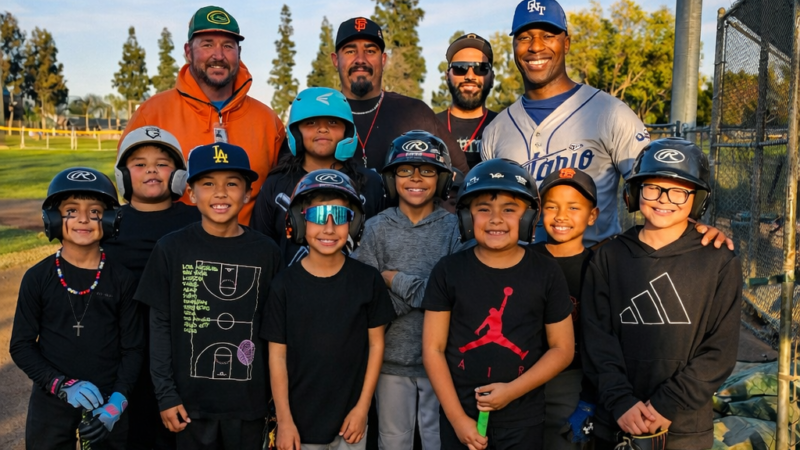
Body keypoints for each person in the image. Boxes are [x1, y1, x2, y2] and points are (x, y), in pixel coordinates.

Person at [581, 138, 742, 449]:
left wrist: (667, 404)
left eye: (679, 191)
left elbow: (719, 352)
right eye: (652, 187)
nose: (663, 199)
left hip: (684, 428)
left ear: (697, 200)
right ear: (634, 193)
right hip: (616, 419)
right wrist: (620, 401)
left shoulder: (719, 260)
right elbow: (596, 340)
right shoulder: (608, 257)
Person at [135, 143, 282, 449]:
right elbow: (159, 327)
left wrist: (276, 402)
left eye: (232, 183)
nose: (220, 193)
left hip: (248, 405)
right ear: (191, 194)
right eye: (207, 184)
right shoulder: (171, 248)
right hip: (189, 405)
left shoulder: (267, 251)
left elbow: (277, 331)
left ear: (246, 194)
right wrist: (166, 394)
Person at [422, 159, 575, 450]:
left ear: (529, 218)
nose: (495, 219)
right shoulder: (448, 270)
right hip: (462, 417)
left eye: (509, 209)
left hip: (523, 419)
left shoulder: (546, 271)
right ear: (467, 218)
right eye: (483, 210)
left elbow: (562, 349)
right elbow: (433, 349)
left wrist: (511, 391)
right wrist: (457, 420)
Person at [10, 167, 143, 449]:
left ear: (109, 220)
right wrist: (61, 385)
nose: (83, 218)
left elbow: (134, 349)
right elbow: (21, 345)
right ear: (54, 219)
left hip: (107, 404)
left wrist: (118, 401)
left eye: (95, 211)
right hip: (51, 403)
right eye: (71, 210)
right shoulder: (38, 278)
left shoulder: (122, 279)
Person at [265, 169, 395, 450]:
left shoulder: (368, 280)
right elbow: (276, 357)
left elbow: (376, 346)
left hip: (350, 423)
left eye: (340, 217)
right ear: (299, 220)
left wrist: (362, 409)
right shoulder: (283, 286)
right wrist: (284, 420)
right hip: (298, 426)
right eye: (316, 216)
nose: (328, 228)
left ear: (355, 222)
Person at [119, 5, 285, 225]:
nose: (218, 55)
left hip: (246, 252)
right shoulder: (152, 113)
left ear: (239, 53)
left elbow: (280, 193)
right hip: (171, 251)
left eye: (228, 46)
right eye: (207, 44)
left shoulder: (267, 120)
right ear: (188, 51)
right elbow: (130, 187)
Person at [352, 131, 462, 450]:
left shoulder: (454, 229)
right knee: (393, 443)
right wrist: (427, 296)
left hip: (441, 365)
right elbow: (369, 302)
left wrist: (396, 280)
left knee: (438, 441)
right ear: (390, 178)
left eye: (427, 170)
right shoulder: (375, 229)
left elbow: (454, 295)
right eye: (405, 170)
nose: (416, 178)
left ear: (442, 179)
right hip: (389, 364)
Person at [103, 125, 201, 450]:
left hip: (181, 354)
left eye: (162, 164)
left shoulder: (197, 220)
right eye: (140, 164)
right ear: (122, 175)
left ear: (178, 174)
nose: (151, 171)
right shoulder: (106, 224)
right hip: (123, 355)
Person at [250, 87, 384, 266]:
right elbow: (259, 247)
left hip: (357, 289)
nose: (322, 129)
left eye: (332, 122)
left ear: (347, 130)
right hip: (288, 290)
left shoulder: (370, 183)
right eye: (311, 123)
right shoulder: (276, 184)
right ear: (296, 132)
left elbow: (384, 244)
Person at [332, 17, 469, 174]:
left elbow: (460, 173)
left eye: (370, 51)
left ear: (383, 60)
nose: (361, 60)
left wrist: (440, 198)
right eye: (350, 51)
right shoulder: (319, 117)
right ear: (335, 60)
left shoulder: (415, 113)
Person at [529, 168, 599, 449]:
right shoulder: (524, 259)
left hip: (572, 381)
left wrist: (590, 397)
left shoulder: (599, 266)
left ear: (592, 215)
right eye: (551, 207)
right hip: (521, 376)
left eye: (574, 207)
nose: (561, 216)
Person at [435, 33, 499, 170]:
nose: (470, 76)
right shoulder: (429, 127)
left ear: (492, 78)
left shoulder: (506, 126)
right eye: (460, 68)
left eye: (481, 68)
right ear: (447, 76)